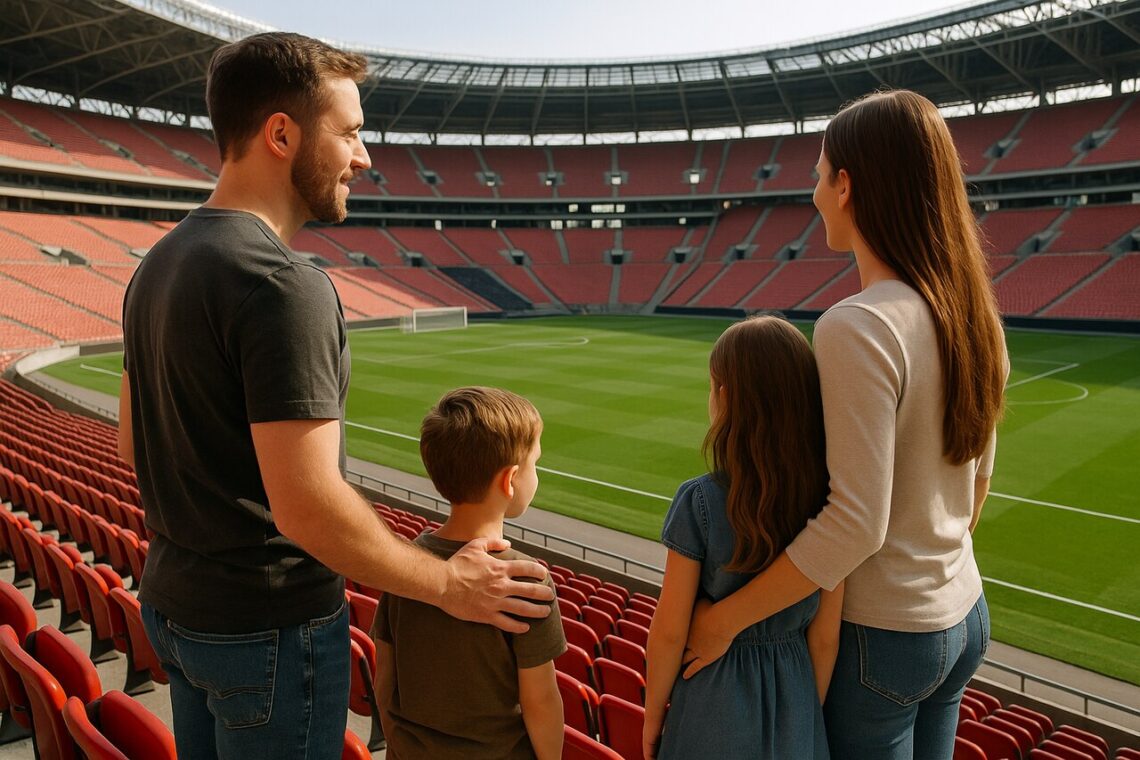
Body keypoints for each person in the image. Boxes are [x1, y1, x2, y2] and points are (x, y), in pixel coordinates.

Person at [117, 33, 552, 760]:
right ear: (281, 134)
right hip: (268, 631)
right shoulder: (285, 285)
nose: (364, 156)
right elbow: (308, 506)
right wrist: (446, 583)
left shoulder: (155, 265)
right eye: (349, 132)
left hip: (176, 608)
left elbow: (136, 446)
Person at [682, 89, 1008, 760]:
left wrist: (724, 622)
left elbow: (857, 524)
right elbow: (978, 484)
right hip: (963, 612)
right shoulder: (971, 314)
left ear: (848, 184)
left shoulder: (857, 325)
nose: (812, 195)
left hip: (882, 638)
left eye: (818, 174)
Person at [641, 316, 843, 760]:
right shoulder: (831, 504)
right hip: (795, 695)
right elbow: (825, 637)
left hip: (710, 696)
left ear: (726, 396)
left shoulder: (699, 500)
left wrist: (653, 718)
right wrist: (807, 712)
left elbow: (670, 632)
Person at [373, 386, 565, 760]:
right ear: (509, 481)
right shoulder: (526, 580)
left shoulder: (406, 564)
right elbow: (541, 702)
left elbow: (385, 680)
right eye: (535, 463)